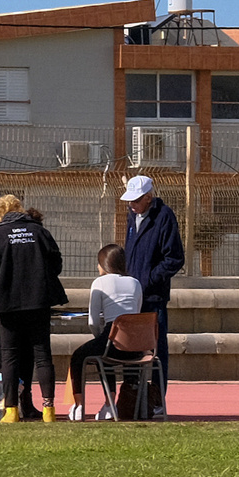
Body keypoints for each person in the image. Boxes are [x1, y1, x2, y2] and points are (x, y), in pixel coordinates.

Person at [0, 193, 63, 422]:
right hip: (38, 301)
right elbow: (56, 264)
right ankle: (49, 409)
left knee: (10, 356)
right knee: (43, 355)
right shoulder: (40, 232)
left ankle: (11, 409)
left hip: (7, 303)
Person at [121, 175, 186, 416]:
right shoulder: (131, 216)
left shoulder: (164, 216)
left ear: (149, 198)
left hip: (153, 298)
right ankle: (130, 398)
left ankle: (157, 400)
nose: (132, 205)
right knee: (130, 350)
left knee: (157, 350)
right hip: (131, 297)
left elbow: (175, 258)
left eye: (136, 200)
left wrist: (148, 280)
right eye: (129, 201)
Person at [67, 244, 145, 419]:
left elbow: (93, 321)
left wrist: (101, 337)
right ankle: (110, 405)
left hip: (111, 337)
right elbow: (136, 313)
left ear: (104, 264)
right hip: (136, 344)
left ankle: (79, 406)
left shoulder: (99, 283)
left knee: (79, 356)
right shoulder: (135, 282)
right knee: (108, 356)